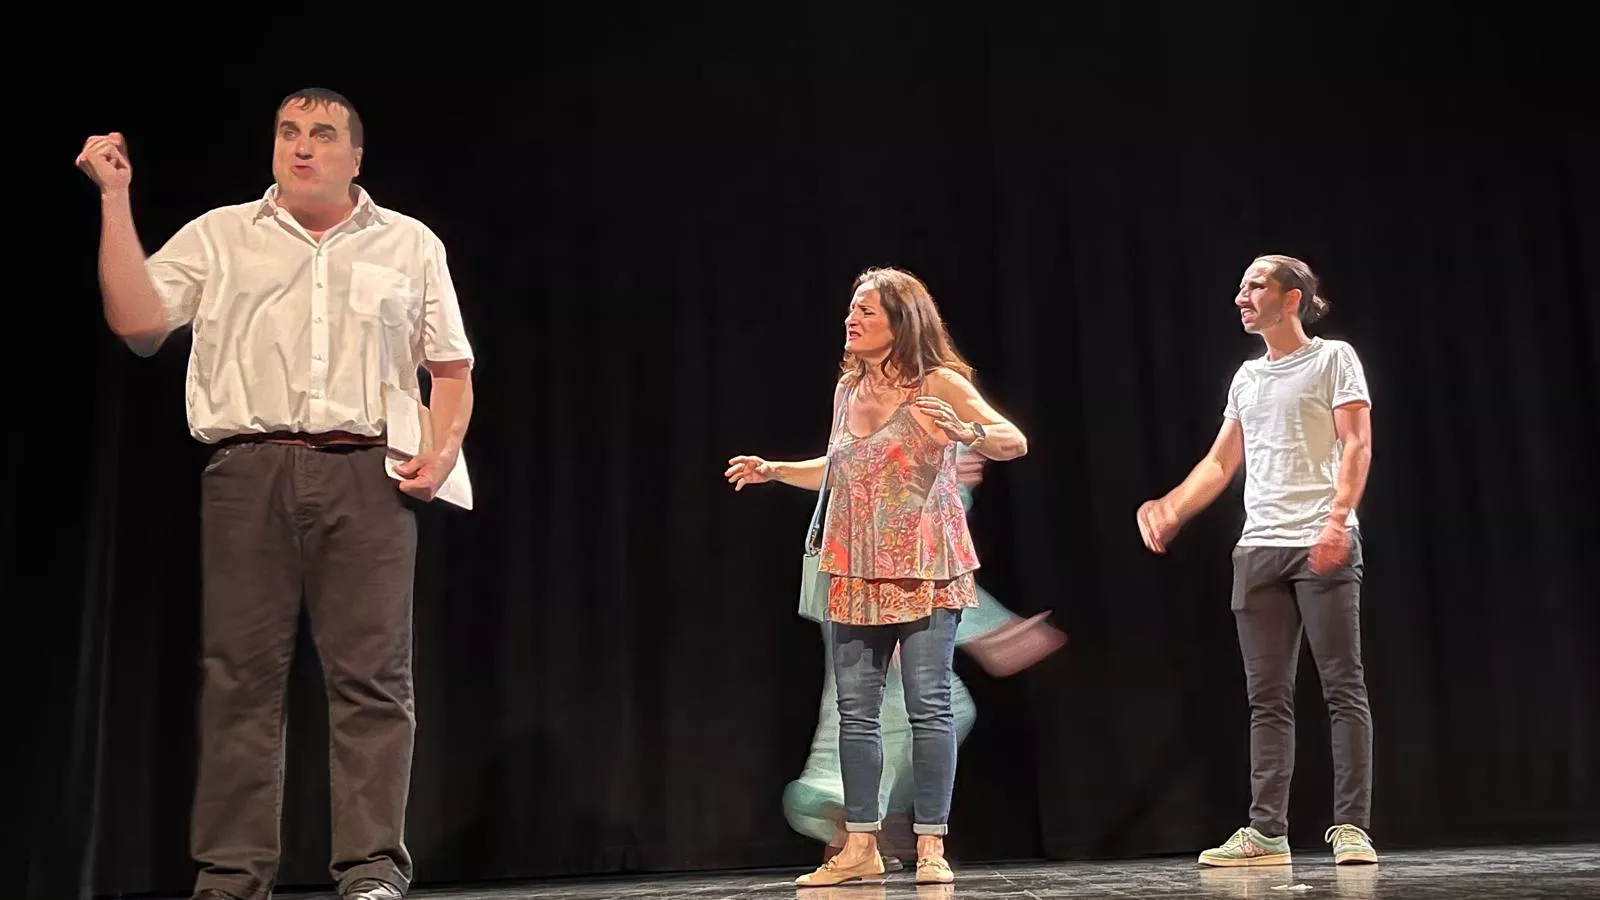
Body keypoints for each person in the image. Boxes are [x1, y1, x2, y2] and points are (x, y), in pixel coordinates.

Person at [76, 88, 476, 900]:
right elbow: (137, 320)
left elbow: (451, 371)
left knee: (373, 680)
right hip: (247, 472)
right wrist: (116, 200)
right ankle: (231, 877)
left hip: (368, 474)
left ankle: (369, 874)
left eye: (322, 135)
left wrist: (439, 453)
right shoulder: (224, 235)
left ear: (355, 157)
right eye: (288, 132)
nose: (301, 147)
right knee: (239, 680)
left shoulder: (407, 243)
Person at [726, 267, 1029, 887]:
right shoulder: (848, 390)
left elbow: (1011, 440)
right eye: (851, 309)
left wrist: (965, 430)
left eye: (866, 310)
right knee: (857, 713)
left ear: (902, 320)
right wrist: (776, 469)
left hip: (924, 565)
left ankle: (931, 847)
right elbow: (841, 469)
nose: (851, 319)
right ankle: (860, 844)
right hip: (855, 566)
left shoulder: (937, 382)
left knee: (930, 706)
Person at [1135, 255, 1376, 868]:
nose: (1241, 296)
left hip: (1321, 541)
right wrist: (1172, 507)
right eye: (1240, 286)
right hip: (1258, 547)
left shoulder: (1333, 359)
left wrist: (1336, 518)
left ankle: (1351, 828)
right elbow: (1221, 463)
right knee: (1267, 697)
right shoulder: (1247, 377)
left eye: (1255, 286)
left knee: (1341, 686)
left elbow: (1356, 442)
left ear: (1291, 298)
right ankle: (1267, 834)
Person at [783, 447, 1067, 867]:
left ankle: (885, 830)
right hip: (876, 581)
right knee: (903, 714)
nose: (976, 471)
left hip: (895, 576)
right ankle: (866, 832)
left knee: (927, 711)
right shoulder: (901, 462)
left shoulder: (933, 487)